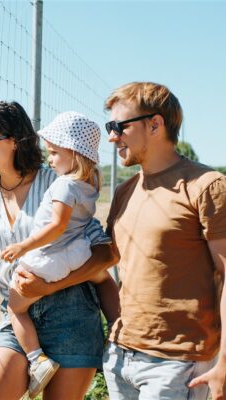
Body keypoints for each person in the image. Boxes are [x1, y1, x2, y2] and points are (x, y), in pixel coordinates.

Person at [0, 101, 119, 400]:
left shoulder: (59, 181)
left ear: (15, 139)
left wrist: (50, 284)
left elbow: (105, 255)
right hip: (15, 313)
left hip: (71, 312)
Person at [99, 81, 226, 400]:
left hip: (178, 363)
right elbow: (103, 263)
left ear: (155, 124)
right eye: (108, 127)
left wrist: (224, 362)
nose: (112, 137)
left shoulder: (207, 186)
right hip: (119, 358)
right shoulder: (123, 192)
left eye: (118, 126)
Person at [0, 111, 118, 397]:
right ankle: (115, 332)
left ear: (74, 152)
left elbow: (56, 226)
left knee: (15, 308)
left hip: (48, 259)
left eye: (54, 153)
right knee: (102, 278)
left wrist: (23, 246)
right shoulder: (90, 183)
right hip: (76, 253)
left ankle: (36, 359)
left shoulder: (64, 185)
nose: (49, 159)